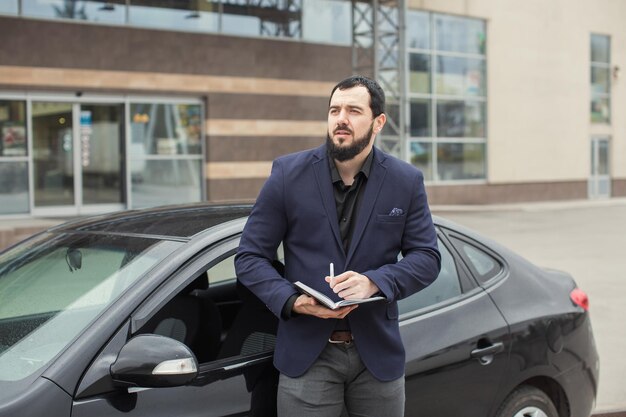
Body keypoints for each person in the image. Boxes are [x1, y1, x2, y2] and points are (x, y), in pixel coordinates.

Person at [235, 75, 441, 417]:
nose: (340, 118)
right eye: (334, 109)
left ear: (378, 122)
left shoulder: (405, 181)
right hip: (307, 355)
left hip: (376, 355)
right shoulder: (288, 174)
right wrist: (293, 301)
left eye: (353, 110)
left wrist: (375, 281)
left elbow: (427, 258)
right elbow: (250, 258)